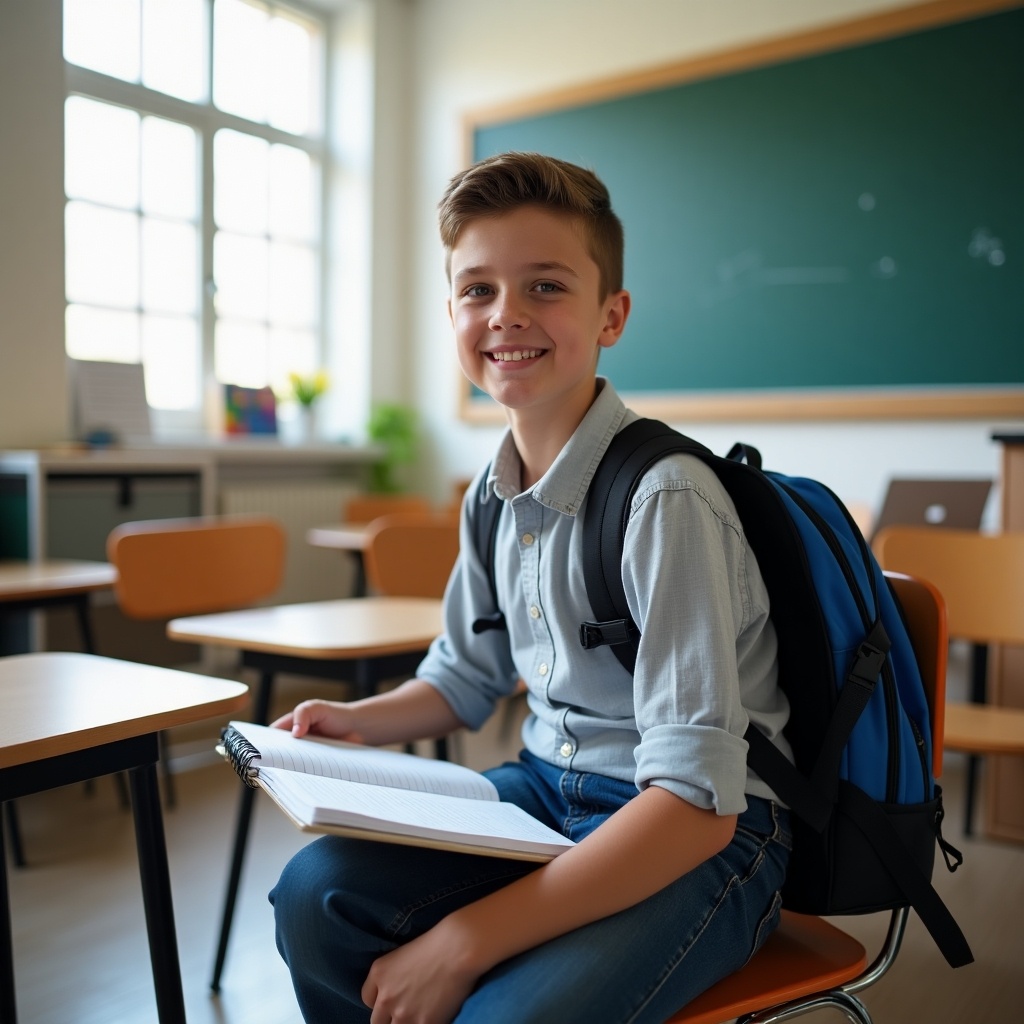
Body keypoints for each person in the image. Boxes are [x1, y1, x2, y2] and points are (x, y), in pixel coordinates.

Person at [270, 151, 793, 1024]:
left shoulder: (666, 497)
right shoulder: (492, 490)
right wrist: (353, 723)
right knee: (314, 901)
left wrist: (464, 939)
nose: (506, 315)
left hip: (705, 832)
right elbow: (465, 678)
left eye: (545, 286)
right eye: (477, 291)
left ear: (611, 314)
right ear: (452, 314)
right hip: (551, 788)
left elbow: (695, 808)